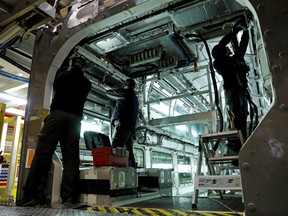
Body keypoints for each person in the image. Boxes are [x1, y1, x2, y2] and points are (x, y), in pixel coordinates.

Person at [17, 57, 92, 207]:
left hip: (57, 115)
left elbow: (55, 86)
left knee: (43, 153)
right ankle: (69, 198)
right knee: (71, 158)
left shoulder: (62, 76)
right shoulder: (87, 84)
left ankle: (30, 195)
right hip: (75, 120)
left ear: (71, 65)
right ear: (84, 69)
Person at [212, 20, 251, 155]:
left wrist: (246, 32)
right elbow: (221, 45)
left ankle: (243, 146)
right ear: (222, 52)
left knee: (243, 117)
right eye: (226, 48)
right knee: (235, 119)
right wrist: (234, 31)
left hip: (241, 92)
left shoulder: (234, 60)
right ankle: (233, 148)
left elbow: (242, 48)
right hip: (232, 93)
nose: (229, 47)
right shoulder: (219, 64)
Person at [107, 79, 139, 168]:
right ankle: (132, 170)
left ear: (125, 85)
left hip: (124, 125)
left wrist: (111, 89)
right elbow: (122, 106)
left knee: (115, 146)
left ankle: (115, 169)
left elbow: (108, 93)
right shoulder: (133, 97)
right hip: (130, 127)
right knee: (129, 150)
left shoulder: (127, 92)